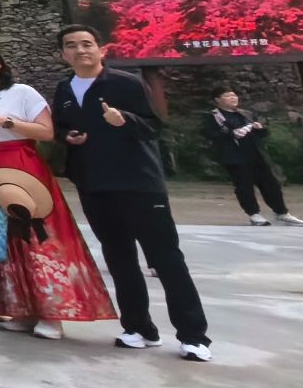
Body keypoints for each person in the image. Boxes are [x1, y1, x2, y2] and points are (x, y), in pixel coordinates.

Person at [53, 26, 210, 359]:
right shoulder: (64, 89)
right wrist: (68, 136)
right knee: (119, 258)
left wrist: (124, 119)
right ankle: (139, 327)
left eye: (87, 44)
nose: (80, 50)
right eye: (72, 46)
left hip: (139, 183)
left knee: (166, 258)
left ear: (101, 49)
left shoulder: (127, 83)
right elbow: (60, 127)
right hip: (94, 185)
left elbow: (154, 126)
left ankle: (193, 335)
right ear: (63, 54)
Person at [0, 39, 112, 342]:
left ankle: (52, 312)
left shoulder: (22, 92)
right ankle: (22, 309)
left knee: (36, 237)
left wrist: (7, 122)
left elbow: (47, 132)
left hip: (22, 165)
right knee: (4, 240)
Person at [204, 89, 303, 226]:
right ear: (217, 99)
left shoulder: (246, 114)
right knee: (244, 186)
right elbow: (209, 134)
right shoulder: (213, 116)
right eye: (228, 96)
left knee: (270, 184)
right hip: (234, 157)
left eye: (234, 95)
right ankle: (254, 214)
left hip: (255, 154)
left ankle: (281, 213)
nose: (233, 98)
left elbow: (262, 135)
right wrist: (231, 133)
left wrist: (260, 129)